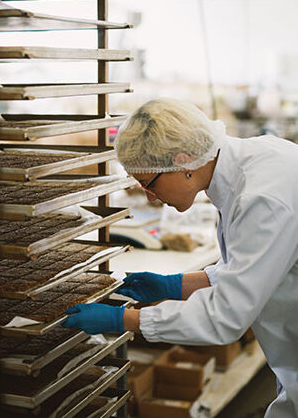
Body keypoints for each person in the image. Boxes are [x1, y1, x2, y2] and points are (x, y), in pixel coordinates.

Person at [63, 98, 298, 417]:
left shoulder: (260, 198)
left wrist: (125, 320)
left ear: (184, 162)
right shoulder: (249, 164)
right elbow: (255, 269)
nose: (149, 196)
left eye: (149, 184)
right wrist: (174, 285)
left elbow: (226, 317)